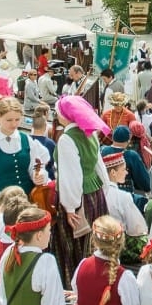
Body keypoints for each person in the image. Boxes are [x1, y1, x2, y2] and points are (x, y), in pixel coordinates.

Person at [52, 95, 112, 285]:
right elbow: (99, 166)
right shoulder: (90, 133)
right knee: (94, 240)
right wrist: (104, 189)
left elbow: (72, 175)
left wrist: (70, 207)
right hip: (95, 193)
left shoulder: (66, 139)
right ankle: (97, 280)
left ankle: (76, 283)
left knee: (73, 244)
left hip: (79, 198)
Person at [72, 215, 142, 305]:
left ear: (94, 240)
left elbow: (77, 295)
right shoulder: (125, 276)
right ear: (121, 242)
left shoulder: (83, 264)